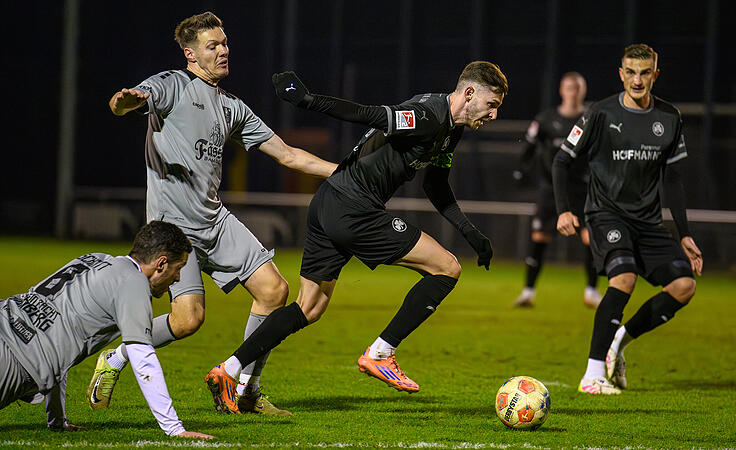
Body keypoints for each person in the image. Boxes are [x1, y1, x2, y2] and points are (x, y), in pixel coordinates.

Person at [199, 61, 507, 413]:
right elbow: (368, 114)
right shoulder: (428, 116)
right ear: (469, 93)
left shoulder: (451, 131)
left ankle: (229, 369)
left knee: (309, 307)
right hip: (354, 207)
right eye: (491, 105)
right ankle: (381, 352)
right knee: (446, 268)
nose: (493, 115)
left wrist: (469, 231)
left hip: (328, 201)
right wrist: (307, 100)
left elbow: (435, 185)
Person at [88, 11, 337, 416]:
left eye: (224, 43)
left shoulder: (231, 106)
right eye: (213, 46)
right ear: (191, 54)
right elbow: (128, 102)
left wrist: (343, 173)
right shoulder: (172, 85)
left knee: (274, 290)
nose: (223, 51)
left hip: (214, 220)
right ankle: (116, 357)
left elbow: (289, 155)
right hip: (174, 229)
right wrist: (124, 102)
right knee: (188, 320)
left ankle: (246, 390)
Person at [553, 44, 703, 394]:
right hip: (605, 214)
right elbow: (562, 160)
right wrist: (564, 209)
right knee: (624, 277)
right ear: (621, 74)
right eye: (631, 72)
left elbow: (673, 180)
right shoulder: (600, 113)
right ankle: (592, 375)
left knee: (684, 286)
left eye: (645, 72)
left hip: (648, 223)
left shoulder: (669, 117)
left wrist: (684, 234)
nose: (637, 80)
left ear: (655, 75)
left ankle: (619, 341)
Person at [0, 221, 213, 439]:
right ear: (161, 264)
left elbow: (56, 337)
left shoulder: (94, 259)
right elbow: (143, 359)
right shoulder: (134, 283)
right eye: (178, 269)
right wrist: (175, 429)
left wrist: (57, 420)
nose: (178, 278)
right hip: (14, 357)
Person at [511, 72, 601, 309]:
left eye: (577, 87)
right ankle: (528, 292)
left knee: (591, 237)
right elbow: (529, 148)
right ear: (561, 90)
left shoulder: (590, 118)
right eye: (569, 87)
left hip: (581, 188)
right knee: (539, 237)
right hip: (550, 188)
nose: (573, 92)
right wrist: (521, 171)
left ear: (583, 91)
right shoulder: (546, 119)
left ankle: (591, 291)